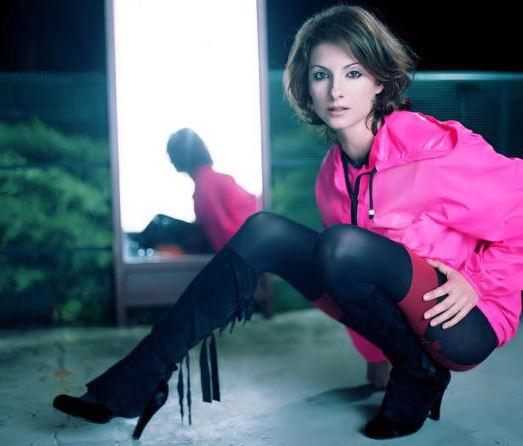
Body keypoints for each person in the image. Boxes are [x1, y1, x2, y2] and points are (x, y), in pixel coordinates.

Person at [52, 4, 523, 440]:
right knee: (267, 231)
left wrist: (478, 282)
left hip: (464, 321)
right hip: (406, 326)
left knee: (340, 244)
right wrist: (379, 355)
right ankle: (141, 376)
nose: (336, 91)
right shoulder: (331, 179)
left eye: (353, 73)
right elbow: (358, 286)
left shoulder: (430, 149)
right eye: (321, 75)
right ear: (306, 87)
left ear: (379, 82)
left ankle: (420, 374)